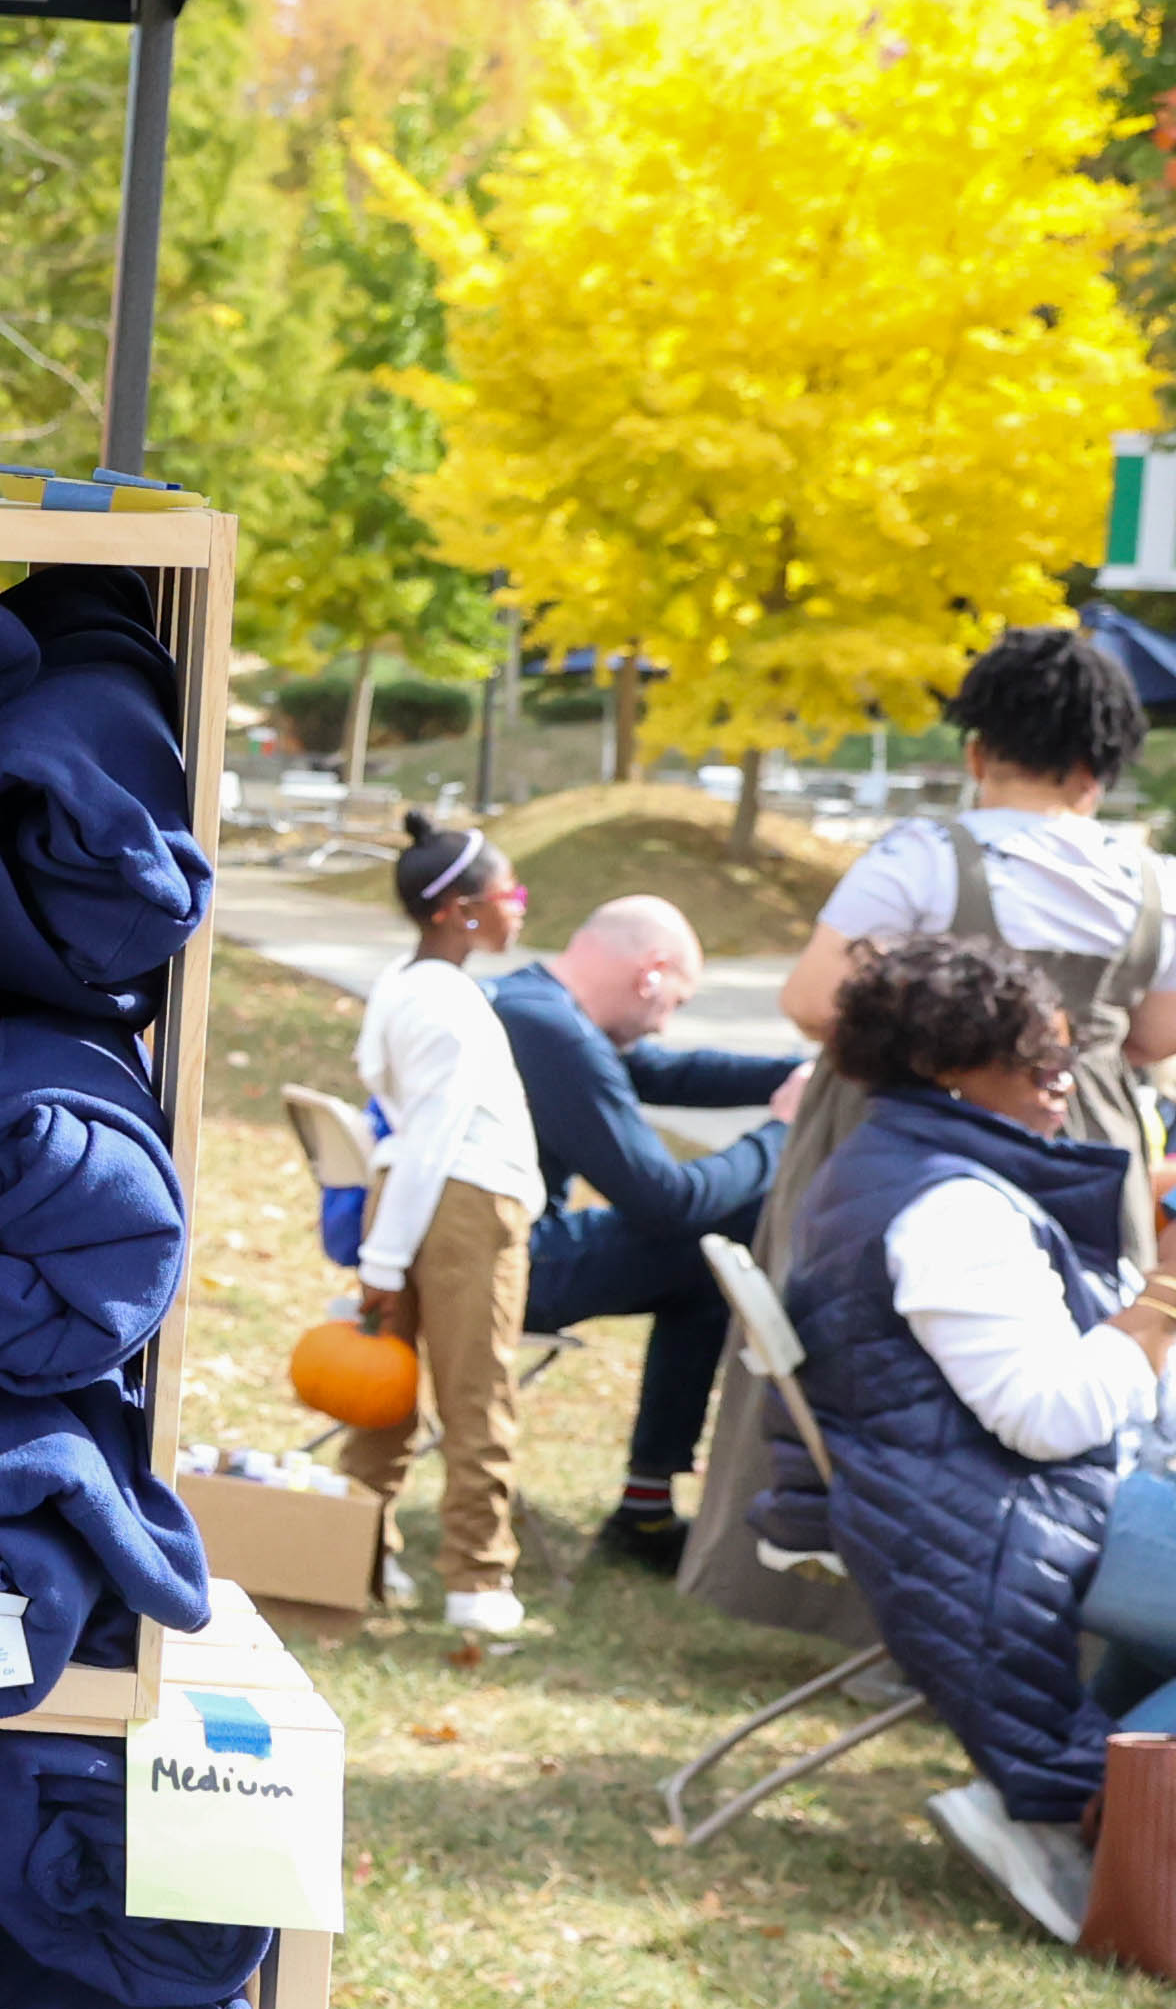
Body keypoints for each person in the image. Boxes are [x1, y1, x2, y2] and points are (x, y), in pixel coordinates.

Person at [702, 624, 1176, 1629]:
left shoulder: (923, 856)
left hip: (908, 1121)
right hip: (1080, 1134)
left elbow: (813, 996)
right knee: (1073, 1348)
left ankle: (830, 1587)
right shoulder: (1149, 882)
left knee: (859, 1344)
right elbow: (1153, 1038)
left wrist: (947, 1050)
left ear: (976, 750)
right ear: (1101, 764)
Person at [778, 934, 1175, 1943]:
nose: (1065, 1085)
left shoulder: (914, 1170)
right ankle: (1102, 1815)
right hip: (1006, 1517)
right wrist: (1164, 1299)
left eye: (1068, 1061)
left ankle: (1106, 1795)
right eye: (1041, 1066)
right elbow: (1045, 1418)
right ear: (947, 1068)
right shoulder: (948, 1207)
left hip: (1005, 1504)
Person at [493, 895, 798, 1569]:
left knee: (701, 1266)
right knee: (721, 1231)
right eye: (676, 1003)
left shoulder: (534, 1005)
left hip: (484, 1256)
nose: (664, 1026)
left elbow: (665, 1073)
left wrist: (809, 1074)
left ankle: (647, 1506)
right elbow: (664, 1200)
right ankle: (646, 1511)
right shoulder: (552, 1032)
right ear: (652, 972)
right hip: (506, 1271)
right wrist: (780, 1131)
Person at [346, 814, 543, 1635]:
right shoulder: (449, 1006)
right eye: (511, 893)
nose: (521, 907)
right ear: (458, 910)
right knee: (477, 1396)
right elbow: (430, 1134)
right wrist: (385, 1262)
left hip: (413, 1197)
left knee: (383, 1395)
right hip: (460, 1205)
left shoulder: (403, 982)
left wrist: (385, 1253)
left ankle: (354, 1558)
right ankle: (478, 1581)